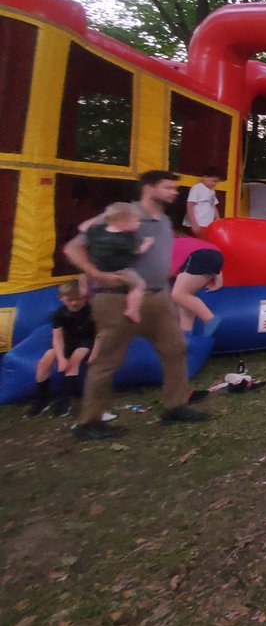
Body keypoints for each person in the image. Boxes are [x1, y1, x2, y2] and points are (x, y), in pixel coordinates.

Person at [64, 170, 211, 441]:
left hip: (158, 297)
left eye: (174, 188)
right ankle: (89, 422)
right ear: (148, 188)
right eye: (168, 188)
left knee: (175, 348)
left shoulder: (165, 222)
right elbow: (73, 247)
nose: (174, 193)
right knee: (108, 359)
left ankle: (175, 406)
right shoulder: (121, 214)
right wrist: (93, 274)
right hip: (117, 298)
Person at [26, 280, 95, 418]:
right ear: (61, 299)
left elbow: (99, 334)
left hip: (86, 340)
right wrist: (61, 357)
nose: (74, 303)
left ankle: (64, 401)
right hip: (68, 341)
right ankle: (42, 400)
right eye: (70, 300)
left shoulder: (91, 311)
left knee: (74, 361)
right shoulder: (59, 314)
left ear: (85, 297)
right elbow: (57, 338)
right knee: (43, 362)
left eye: (78, 299)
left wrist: (95, 353)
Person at [85, 202, 153, 323]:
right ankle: (132, 310)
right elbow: (137, 252)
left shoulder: (97, 231)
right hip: (119, 271)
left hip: (96, 269)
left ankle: (88, 300)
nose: (138, 224)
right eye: (136, 221)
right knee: (139, 285)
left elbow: (85, 229)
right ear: (122, 222)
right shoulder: (126, 238)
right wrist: (147, 243)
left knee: (88, 282)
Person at [171, 235, 225, 335]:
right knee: (185, 299)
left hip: (199, 256)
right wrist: (218, 278)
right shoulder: (180, 243)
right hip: (213, 255)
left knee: (178, 294)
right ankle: (186, 333)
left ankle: (209, 319)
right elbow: (210, 254)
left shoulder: (164, 249)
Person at [183, 167, 222, 235]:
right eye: (213, 181)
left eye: (217, 182)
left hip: (207, 224)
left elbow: (214, 206)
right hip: (197, 223)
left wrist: (218, 220)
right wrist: (194, 223)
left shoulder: (212, 191)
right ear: (205, 177)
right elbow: (190, 205)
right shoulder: (197, 188)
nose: (215, 184)